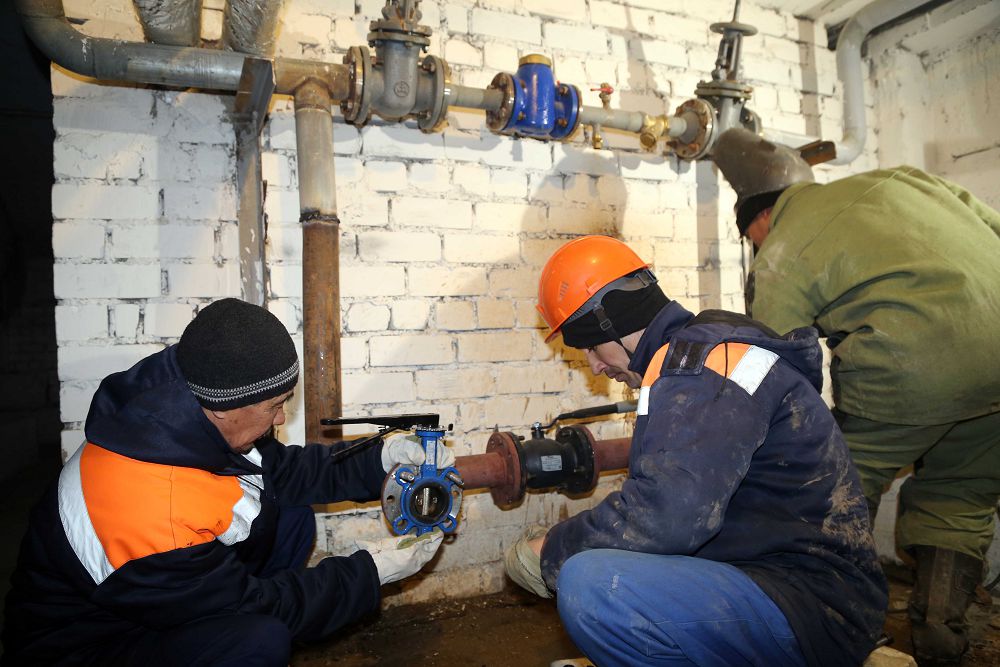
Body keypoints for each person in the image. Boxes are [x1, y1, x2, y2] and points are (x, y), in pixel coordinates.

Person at [504, 235, 887, 667]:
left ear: (611, 323)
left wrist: (555, 548)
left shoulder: (700, 368)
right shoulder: (703, 353)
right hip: (789, 585)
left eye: (591, 346)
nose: (594, 365)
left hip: (811, 605)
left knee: (594, 584)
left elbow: (666, 518)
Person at [1, 298, 450, 666]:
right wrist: (370, 573)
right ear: (224, 407)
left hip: (146, 603)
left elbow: (286, 472)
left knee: (290, 516)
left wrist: (380, 458)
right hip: (84, 647)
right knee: (258, 641)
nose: (281, 418)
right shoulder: (151, 512)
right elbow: (260, 606)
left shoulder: (186, 409)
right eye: (275, 405)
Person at [712, 127, 1000, 666]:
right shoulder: (908, 181)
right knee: (961, 491)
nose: (757, 247)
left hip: (913, 365)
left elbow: (774, 366)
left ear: (761, 217)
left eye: (752, 238)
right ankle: (942, 637)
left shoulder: (782, 250)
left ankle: (843, 630)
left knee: (837, 488)